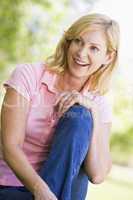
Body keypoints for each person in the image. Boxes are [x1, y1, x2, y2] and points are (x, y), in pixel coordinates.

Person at [0, 13, 120, 200]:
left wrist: (93, 112)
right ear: (68, 43)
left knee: (81, 116)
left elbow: (97, 175)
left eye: (94, 48)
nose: (81, 53)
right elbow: (10, 147)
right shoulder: (28, 75)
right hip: (14, 187)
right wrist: (42, 191)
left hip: (58, 192)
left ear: (108, 57)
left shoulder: (99, 103)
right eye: (78, 41)